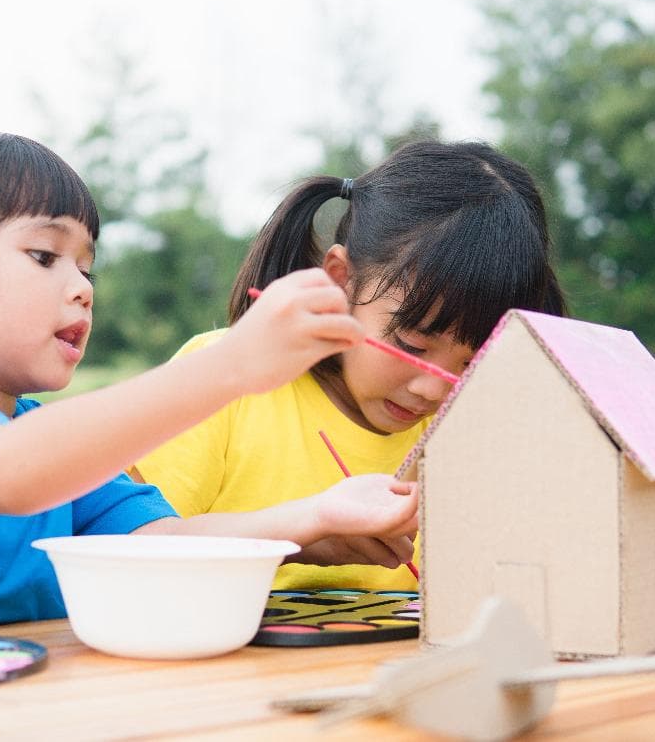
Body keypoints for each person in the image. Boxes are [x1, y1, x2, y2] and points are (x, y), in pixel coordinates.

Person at [0, 129, 420, 633]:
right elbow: (9, 475)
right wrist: (230, 368)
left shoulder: (43, 439)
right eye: (45, 256)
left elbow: (157, 548)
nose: (82, 288)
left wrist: (313, 518)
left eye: (88, 267)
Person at [133, 140, 567, 592]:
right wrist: (303, 533)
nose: (435, 390)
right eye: (413, 345)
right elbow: (126, 551)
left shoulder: (468, 433)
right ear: (341, 279)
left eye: (473, 362)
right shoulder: (226, 376)